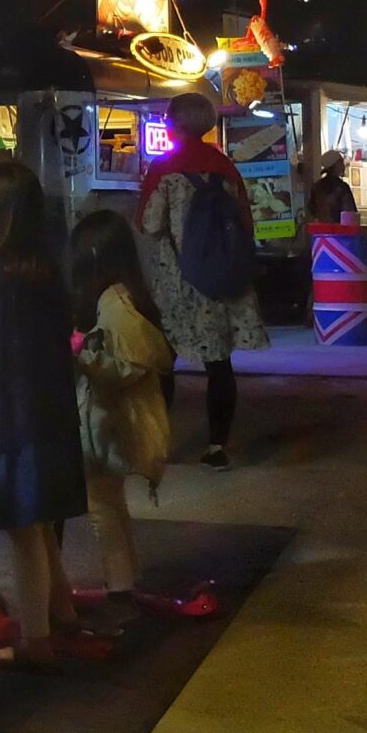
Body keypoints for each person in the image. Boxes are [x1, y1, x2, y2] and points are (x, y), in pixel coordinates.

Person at [0, 162, 96, 669]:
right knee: (41, 521)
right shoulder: (44, 268)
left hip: (5, 416)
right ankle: (61, 612)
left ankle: (36, 641)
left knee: (24, 531)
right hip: (50, 411)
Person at [135, 91, 269, 470]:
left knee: (164, 363)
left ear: (175, 124)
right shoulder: (225, 167)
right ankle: (217, 445)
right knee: (219, 364)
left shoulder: (165, 168)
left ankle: (158, 446)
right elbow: (245, 224)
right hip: (219, 279)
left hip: (177, 280)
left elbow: (149, 224)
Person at [68, 207, 175, 613]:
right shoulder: (127, 297)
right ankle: (126, 576)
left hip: (107, 424)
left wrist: (80, 353)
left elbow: (127, 367)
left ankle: (119, 585)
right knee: (111, 503)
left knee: (102, 507)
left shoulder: (115, 305)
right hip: (114, 423)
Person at [308, 151, 361, 225]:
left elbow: (312, 211)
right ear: (336, 166)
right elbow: (350, 216)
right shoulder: (342, 188)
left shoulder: (316, 187)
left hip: (321, 230)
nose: (343, 165)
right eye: (341, 162)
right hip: (339, 230)